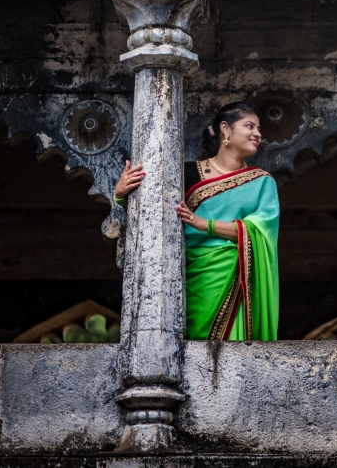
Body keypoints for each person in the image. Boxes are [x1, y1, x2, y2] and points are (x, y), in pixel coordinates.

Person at [113, 102, 280, 341]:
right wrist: (121, 195)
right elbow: (152, 221)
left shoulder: (262, 183)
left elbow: (261, 232)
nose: (257, 134)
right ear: (226, 128)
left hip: (235, 278)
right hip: (189, 274)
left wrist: (206, 225)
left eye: (259, 129)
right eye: (250, 126)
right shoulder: (186, 174)